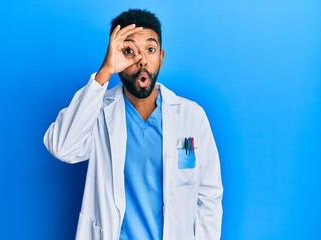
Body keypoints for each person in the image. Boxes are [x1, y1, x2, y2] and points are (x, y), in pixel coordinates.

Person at [44, 8, 223, 240]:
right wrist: (104, 73)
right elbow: (61, 147)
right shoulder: (98, 111)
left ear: (161, 57)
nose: (141, 60)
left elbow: (208, 195)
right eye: (129, 51)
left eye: (150, 49)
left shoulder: (190, 117)